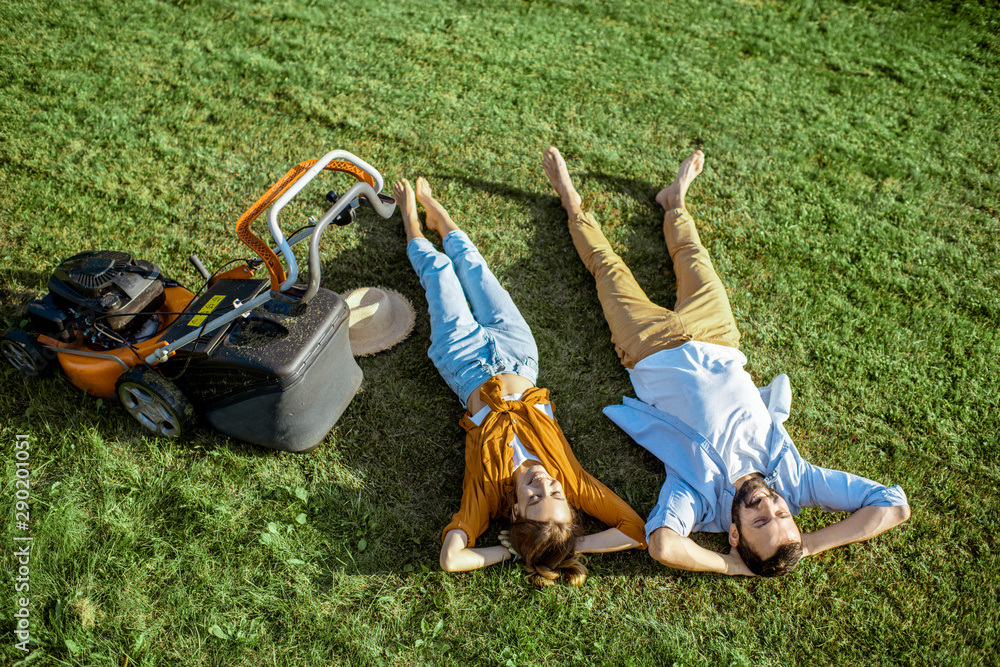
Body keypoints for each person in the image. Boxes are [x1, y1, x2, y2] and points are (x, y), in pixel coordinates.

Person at [542, 146, 910, 577]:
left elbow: (663, 543)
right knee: (693, 256)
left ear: (733, 535)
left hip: (647, 348)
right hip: (717, 336)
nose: (770, 505)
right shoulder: (796, 481)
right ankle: (673, 201)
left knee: (608, 269)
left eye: (759, 521)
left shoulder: (697, 498)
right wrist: (805, 546)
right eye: (783, 516)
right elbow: (893, 506)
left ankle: (570, 201)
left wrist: (731, 568)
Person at [393, 176, 647, 586]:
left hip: (464, 362)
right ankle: (439, 215)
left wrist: (518, 549)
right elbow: (635, 531)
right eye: (556, 496)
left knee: (439, 271)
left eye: (533, 498)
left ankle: (410, 219)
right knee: (475, 268)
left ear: (514, 513)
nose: (544, 483)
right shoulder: (574, 480)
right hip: (519, 355)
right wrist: (566, 545)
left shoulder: (488, 495)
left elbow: (452, 559)